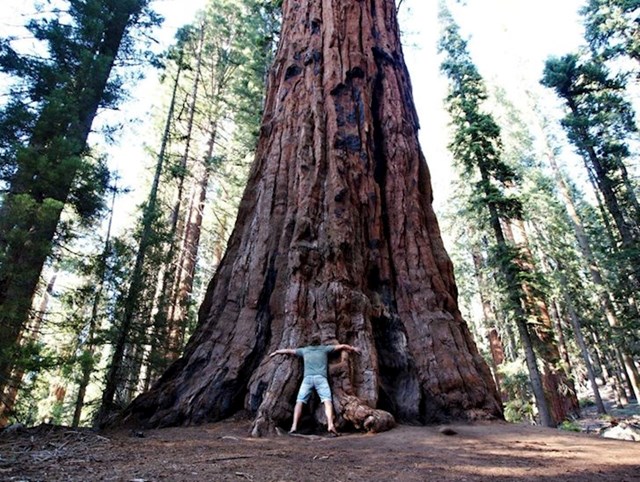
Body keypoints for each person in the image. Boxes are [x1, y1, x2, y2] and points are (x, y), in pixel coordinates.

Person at [270, 343, 360, 435]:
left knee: (300, 401)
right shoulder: (324, 349)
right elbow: (342, 346)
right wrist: (353, 348)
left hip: (307, 379)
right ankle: (330, 424)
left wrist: (276, 352)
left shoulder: (304, 350)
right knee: (327, 401)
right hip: (321, 379)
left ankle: (294, 426)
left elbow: (289, 351)